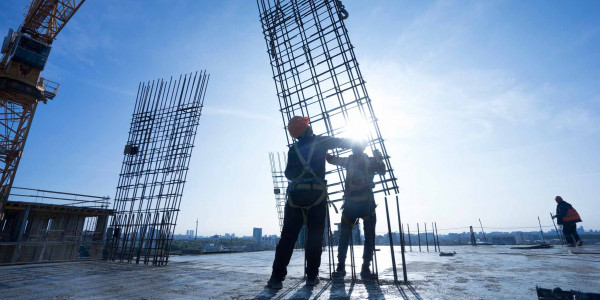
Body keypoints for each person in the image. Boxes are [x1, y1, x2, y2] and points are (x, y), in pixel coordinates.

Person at [267, 116, 355, 289]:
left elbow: (288, 174)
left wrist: (302, 175)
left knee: (287, 238)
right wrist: (357, 143)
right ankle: (312, 277)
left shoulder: (293, 149)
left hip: (295, 199)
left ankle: (276, 279)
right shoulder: (320, 142)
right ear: (306, 129)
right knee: (314, 237)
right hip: (317, 197)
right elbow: (341, 142)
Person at [327, 143, 386, 278]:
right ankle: (365, 268)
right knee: (368, 237)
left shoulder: (350, 161)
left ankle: (341, 267)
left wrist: (323, 148)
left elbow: (331, 160)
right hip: (366, 204)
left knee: (344, 237)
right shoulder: (370, 161)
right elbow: (382, 171)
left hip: (352, 205)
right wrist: (379, 158)